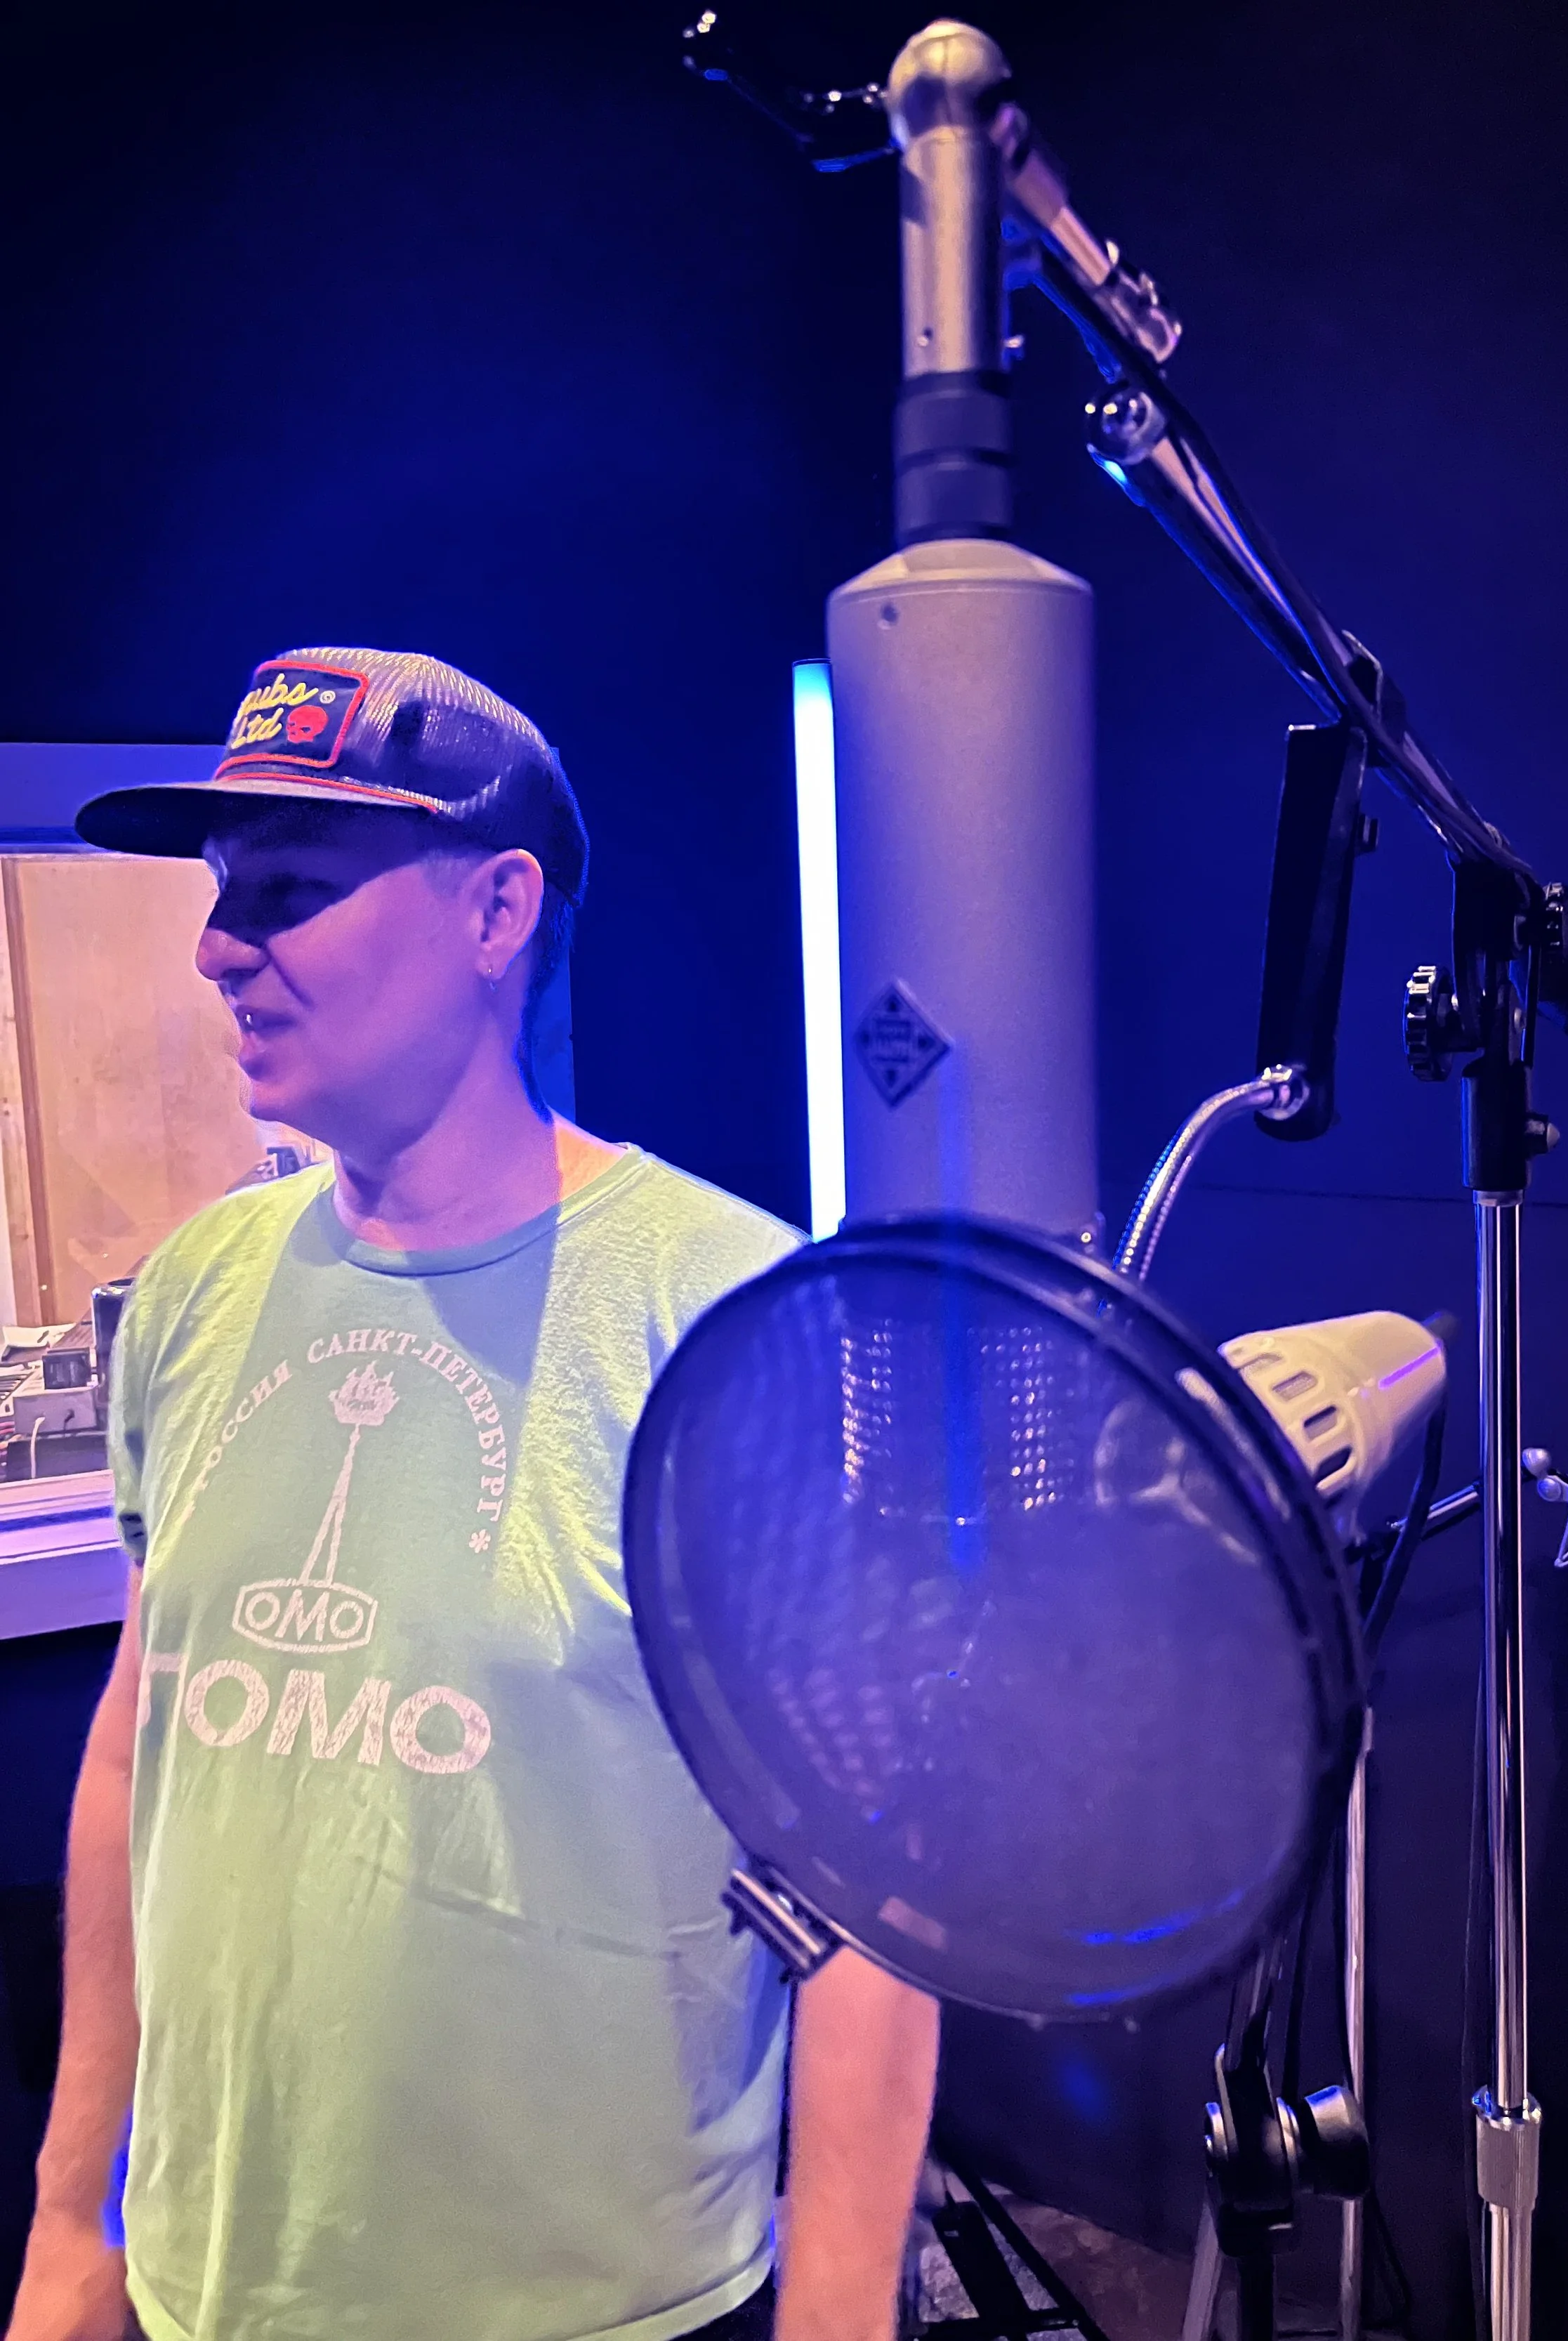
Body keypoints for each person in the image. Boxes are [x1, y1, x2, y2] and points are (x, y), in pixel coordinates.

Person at [6, 648, 940, 2341]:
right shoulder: (198, 1288)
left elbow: (871, 1894)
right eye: (221, 891)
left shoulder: (730, 1315)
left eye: (290, 890)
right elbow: (140, 1752)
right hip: (207, 2290)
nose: (218, 946)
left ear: (497, 909)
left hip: (604, 2308)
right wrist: (77, 2215)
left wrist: (835, 2318)